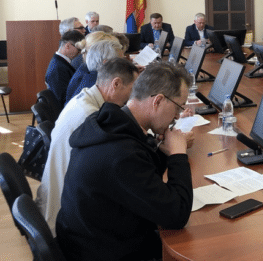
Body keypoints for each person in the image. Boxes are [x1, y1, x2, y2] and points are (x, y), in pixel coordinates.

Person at [56, 62, 193, 261]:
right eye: (178, 108)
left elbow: (142, 180)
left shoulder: (109, 122)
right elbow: (177, 215)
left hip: (86, 240)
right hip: (105, 252)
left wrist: (163, 151)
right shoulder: (122, 154)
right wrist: (178, 154)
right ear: (158, 101)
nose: (177, 117)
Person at [37, 58, 139, 235]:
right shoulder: (90, 116)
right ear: (116, 84)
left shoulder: (85, 97)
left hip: (60, 198)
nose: (132, 96)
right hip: (65, 217)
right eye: (132, 89)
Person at [65, 36, 124, 104]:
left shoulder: (90, 74)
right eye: (121, 62)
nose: (124, 65)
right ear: (106, 63)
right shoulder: (95, 84)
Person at [45, 30, 84, 105]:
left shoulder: (60, 62)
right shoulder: (57, 69)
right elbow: (63, 99)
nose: (80, 53)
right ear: (67, 46)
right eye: (79, 49)